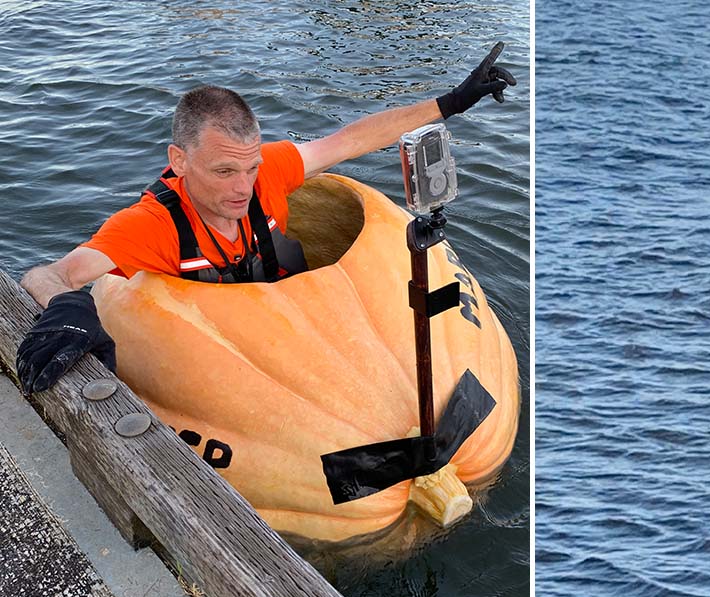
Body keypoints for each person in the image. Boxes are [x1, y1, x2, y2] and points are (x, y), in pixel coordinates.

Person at [16, 44, 517, 393]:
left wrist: (451, 103)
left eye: (250, 167)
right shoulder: (151, 225)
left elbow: (351, 140)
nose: (243, 187)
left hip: (291, 322)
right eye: (224, 171)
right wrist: (68, 309)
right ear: (180, 161)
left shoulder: (268, 172)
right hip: (229, 358)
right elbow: (50, 273)